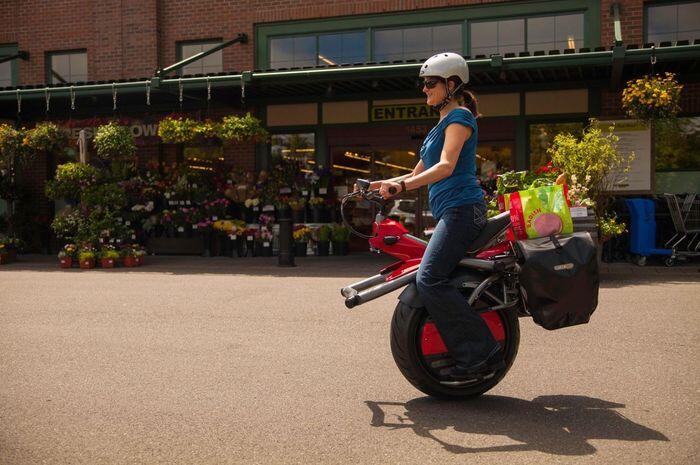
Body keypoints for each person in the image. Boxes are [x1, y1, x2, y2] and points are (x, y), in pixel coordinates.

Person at [368, 52, 503, 381]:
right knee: (428, 275)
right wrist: (386, 183)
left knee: (429, 278)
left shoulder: (459, 118)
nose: (424, 89)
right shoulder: (439, 126)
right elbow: (420, 172)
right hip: (451, 212)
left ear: (452, 84)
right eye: (423, 83)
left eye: (430, 83)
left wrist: (400, 187)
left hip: (463, 211)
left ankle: (481, 352)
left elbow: (445, 167)